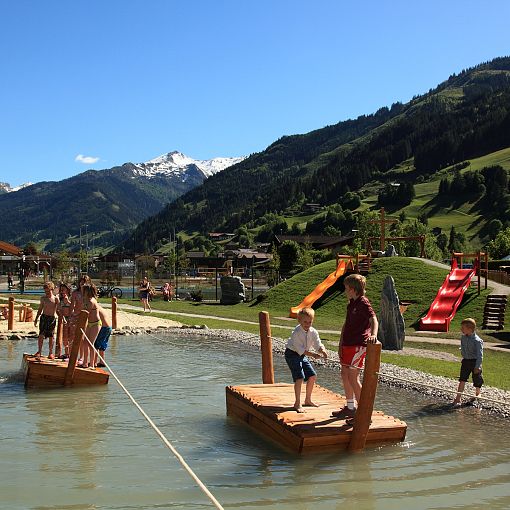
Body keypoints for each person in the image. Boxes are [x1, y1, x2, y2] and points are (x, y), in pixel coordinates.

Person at [332, 274, 378, 419]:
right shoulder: (351, 303)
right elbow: (346, 324)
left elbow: (374, 320)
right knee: (344, 375)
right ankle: (350, 407)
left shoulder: (364, 302)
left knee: (353, 377)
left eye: (346, 288)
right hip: (347, 344)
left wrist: (374, 334)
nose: (345, 291)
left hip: (359, 345)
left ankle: (364, 413)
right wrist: (340, 343)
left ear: (352, 289)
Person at [284, 307, 328, 413]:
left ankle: (307, 400)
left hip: (302, 355)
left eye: (310, 322)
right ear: (299, 321)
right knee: (300, 378)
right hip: (292, 354)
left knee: (312, 376)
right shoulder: (296, 332)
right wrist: (313, 355)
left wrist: (322, 350)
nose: (307, 324)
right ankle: (297, 403)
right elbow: (300, 350)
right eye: (305, 322)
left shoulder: (313, 331)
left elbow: (317, 343)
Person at [453, 318, 484, 406]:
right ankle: (458, 398)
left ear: (470, 328)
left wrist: (478, 366)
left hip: (475, 362)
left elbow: (480, 355)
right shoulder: (463, 337)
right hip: (466, 361)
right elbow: (462, 347)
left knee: (477, 379)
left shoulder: (477, 341)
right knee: (462, 379)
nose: (461, 329)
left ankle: (478, 393)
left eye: (463, 328)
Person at [34, 282, 59, 360]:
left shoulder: (55, 298)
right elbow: (40, 309)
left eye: (48, 291)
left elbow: (58, 310)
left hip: (52, 318)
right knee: (41, 335)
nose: (47, 293)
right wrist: (36, 318)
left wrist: (62, 318)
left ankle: (50, 352)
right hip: (44, 318)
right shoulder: (43, 298)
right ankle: (39, 351)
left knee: (51, 336)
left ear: (52, 289)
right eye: (45, 291)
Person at [81, 284, 101, 369]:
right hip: (89, 323)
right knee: (85, 342)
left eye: (83, 290)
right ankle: (85, 362)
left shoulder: (91, 301)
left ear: (87, 292)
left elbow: (86, 313)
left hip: (96, 324)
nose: (81, 292)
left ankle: (92, 364)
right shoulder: (85, 299)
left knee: (90, 343)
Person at [57, 283, 72, 359]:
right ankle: (66, 353)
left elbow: (74, 308)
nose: (62, 291)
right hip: (64, 319)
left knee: (70, 337)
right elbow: (58, 310)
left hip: (71, 319)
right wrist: (61, 316)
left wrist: (68, 302)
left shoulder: (71, 298)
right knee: (65, 338)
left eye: (64, 289)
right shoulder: (60, 299)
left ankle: (70, 354)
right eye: (61, 290)